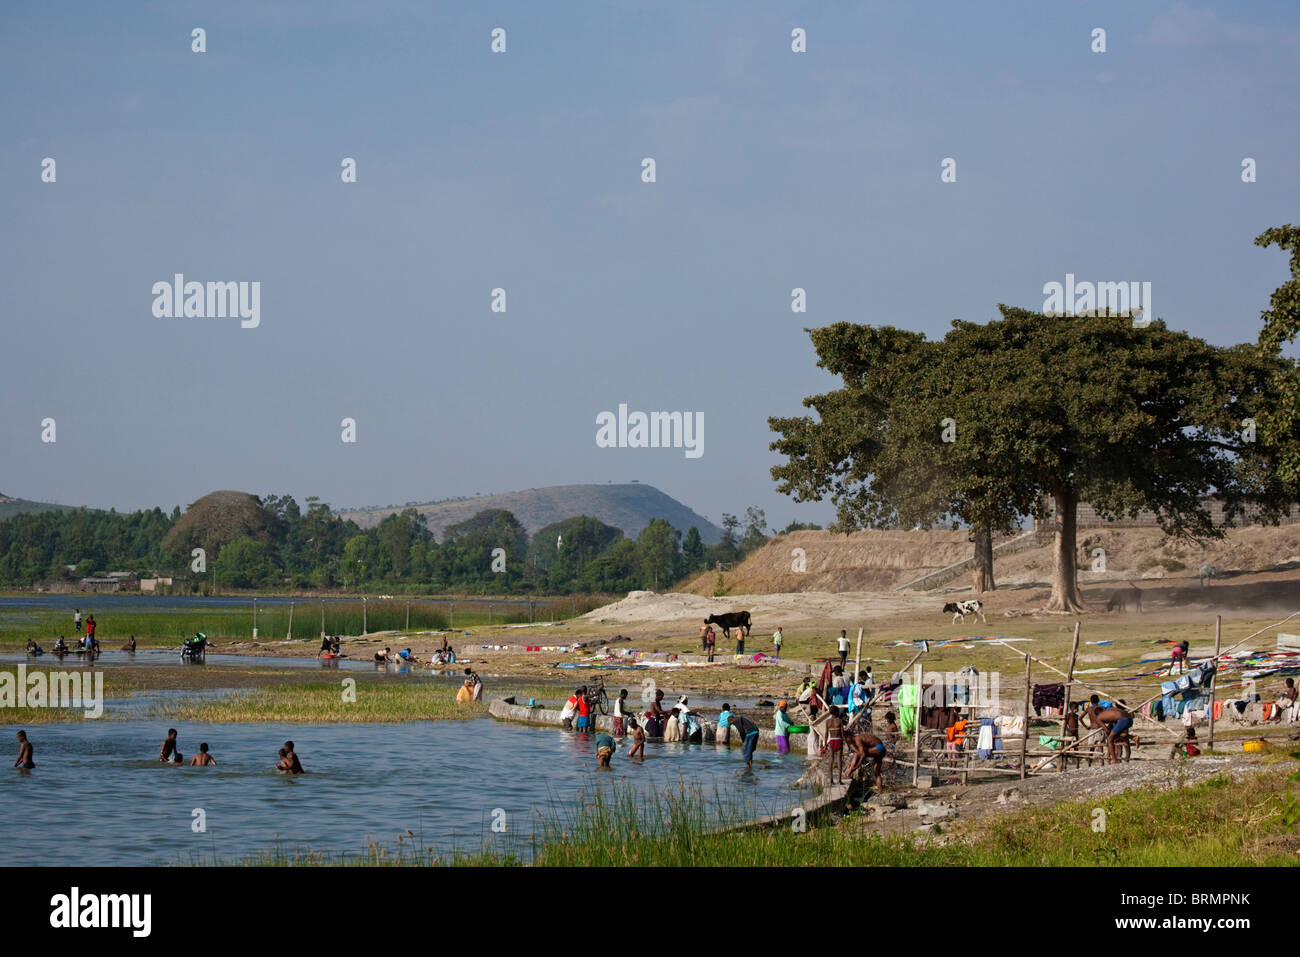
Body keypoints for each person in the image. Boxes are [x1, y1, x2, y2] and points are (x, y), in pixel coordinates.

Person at [824, 705, 846, 784]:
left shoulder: (827, 721)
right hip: (839, 740)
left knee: (831, 760)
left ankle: (831, 780)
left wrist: (825, 743)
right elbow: (842, 734)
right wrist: (846, 743)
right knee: (839, 761)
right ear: (836, 712)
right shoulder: (839, 721)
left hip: (832, 741)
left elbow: (826, 733)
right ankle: (839, 780)